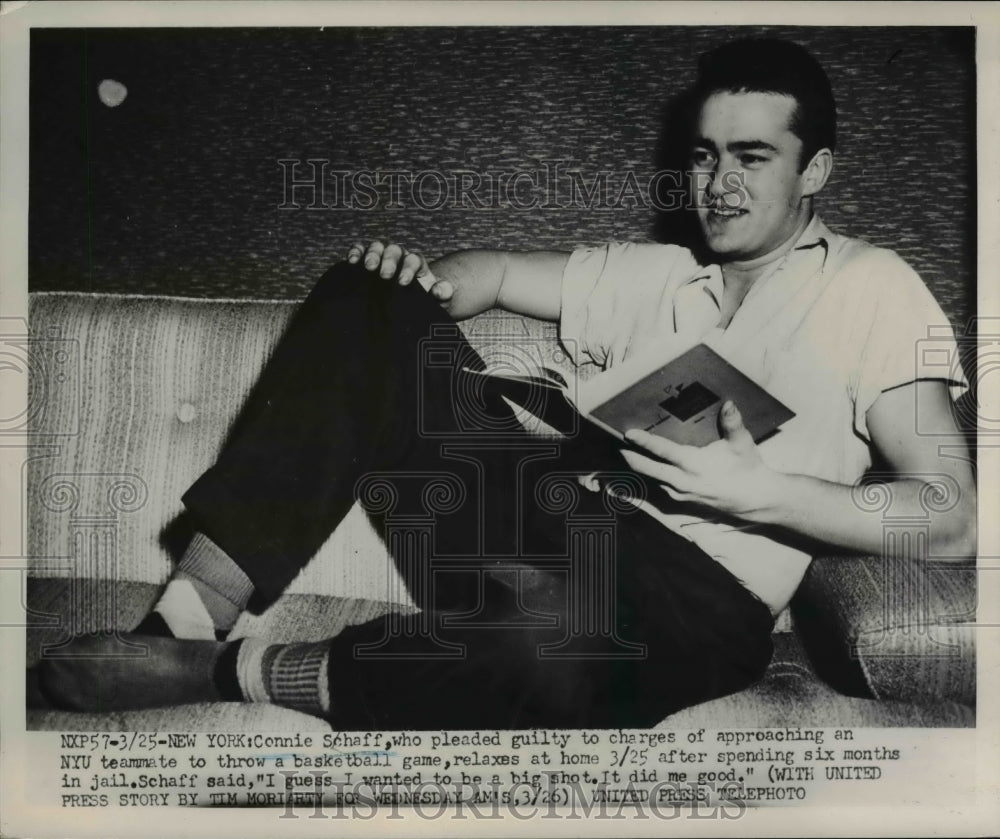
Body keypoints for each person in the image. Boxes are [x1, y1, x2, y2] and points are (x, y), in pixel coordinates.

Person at [36, 38, 975, 729]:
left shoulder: (871, 286)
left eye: (752, 156)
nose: (716, 183)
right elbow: (488, 270)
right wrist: (424, 294)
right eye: (703, 153)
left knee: (548, 651)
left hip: (698, 593)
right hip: (548, 508)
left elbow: (952, 514)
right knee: (373, 288)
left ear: (816, 169)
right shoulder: (651, 272)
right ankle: (183, 616)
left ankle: (227, 670)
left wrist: (766, 492)